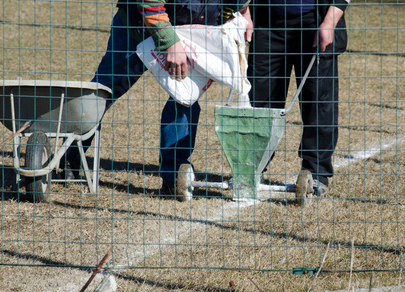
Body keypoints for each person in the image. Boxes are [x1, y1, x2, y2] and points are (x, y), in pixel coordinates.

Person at [59, 0, 253, 200]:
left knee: (185, 99)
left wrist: (243, 12)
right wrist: (169, 42)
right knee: (103, 93)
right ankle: (69, 159)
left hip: (190, 34)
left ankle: (173, 177)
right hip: (136, 30)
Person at [247, 0, 348, 206]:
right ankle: (251, 168)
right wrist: (244, 12)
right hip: (266, 23)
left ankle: (316, 171)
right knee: (259, 101)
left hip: (315, 22)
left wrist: (329, 22)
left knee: (318, 102)